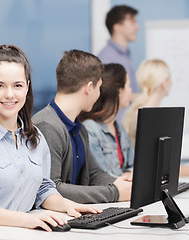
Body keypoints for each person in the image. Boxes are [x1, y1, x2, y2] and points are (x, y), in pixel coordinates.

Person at [0, 45, 101, 233]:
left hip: (23, 233)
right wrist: (30, 219)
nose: (9, 94)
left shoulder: (35, 137)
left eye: (17, 85)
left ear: (27, 87)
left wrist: (69, 206)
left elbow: (42, 190)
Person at [32, 50, 132, 204]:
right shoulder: (47, 126)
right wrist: (115, 193)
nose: (99, 94)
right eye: (99, 88)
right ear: (89, 87)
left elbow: (94, 174)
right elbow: (52, 189)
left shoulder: (79, 129)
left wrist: (122, 184)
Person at [123, 59, 189, 176]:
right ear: (164, 84)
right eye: (169, 78)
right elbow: (158, 167)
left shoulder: (144, 111)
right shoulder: (149, 116)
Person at [79, 63, 134, 178]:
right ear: (119, 91)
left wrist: (128, 174)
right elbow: (100, 178)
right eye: (128, 86)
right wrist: (125, 178)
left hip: (125, 191)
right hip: (110, 194)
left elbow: (133, 165)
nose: (130, 91)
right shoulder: (90, 129)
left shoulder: (119, 128)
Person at [98, 5, 140, 96]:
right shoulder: (106, 59)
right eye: (133, 22)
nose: (137, 27)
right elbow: (110, 97)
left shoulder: (125, 55)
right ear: (117, 27)